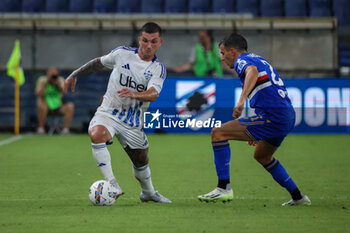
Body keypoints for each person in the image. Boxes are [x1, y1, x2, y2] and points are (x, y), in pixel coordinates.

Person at [198, 33, 311, 206]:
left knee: (218, 133)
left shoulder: (242, 61)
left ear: (232, 51)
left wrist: (241, 100)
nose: (221, 58)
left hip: (273, 117)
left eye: (222, 53)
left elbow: (252, 72)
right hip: (285, 115)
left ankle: (223, 188)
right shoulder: (257, 58)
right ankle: (298, 197)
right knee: (262, 156)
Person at [64, 22, 171, 203]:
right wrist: (75, 73)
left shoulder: (157, 69)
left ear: (160, 42)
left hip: (132, 120)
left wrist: (134, 94)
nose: (148, 45)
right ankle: (112, 183)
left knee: (141, 160)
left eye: (153, 41)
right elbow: (98, 63)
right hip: (109, 112)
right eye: (145, 40)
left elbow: (153, 94)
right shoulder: (122, 54)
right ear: (139, 40)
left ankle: (149, 193)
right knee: (97, 134)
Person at [35, 67, 74, 134]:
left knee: (70, 106)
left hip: (58, 106)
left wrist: (57, 84)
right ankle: (41, 128)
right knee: (41, 105)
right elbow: (38, 94)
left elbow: (64, 92)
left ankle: (66, 130)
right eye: (51, 73)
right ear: (47, 73)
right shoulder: (42, 80)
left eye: (54, 73)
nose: (53, 75)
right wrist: (46, 84)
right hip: (46, 106)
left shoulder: (59, 80)